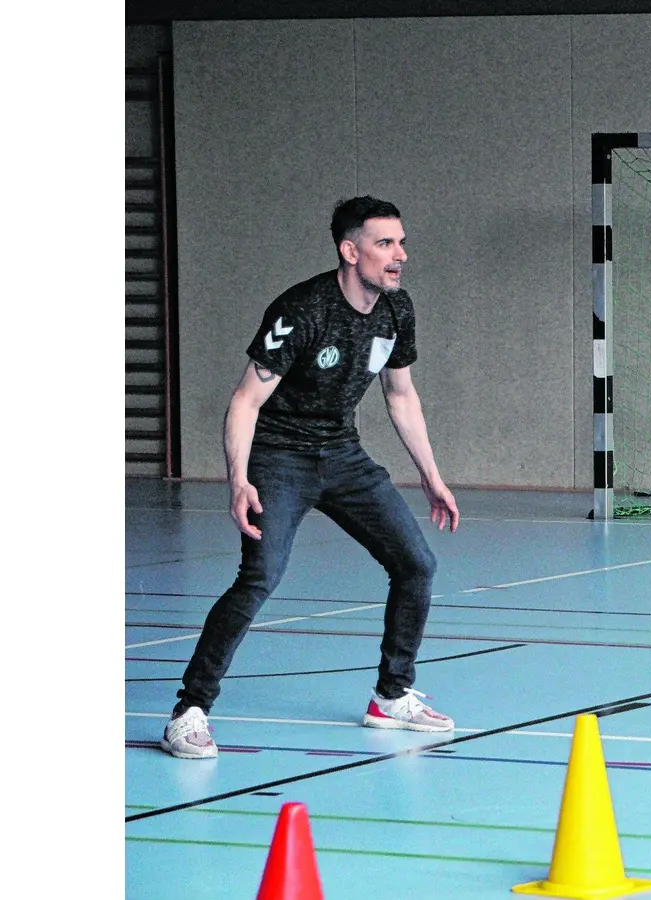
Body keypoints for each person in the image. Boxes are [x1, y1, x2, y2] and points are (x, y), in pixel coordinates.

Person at [161, 196, 461, 760]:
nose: (399, 256)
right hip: (279, 458)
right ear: (350, 251)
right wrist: (239, 480)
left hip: (342, 454)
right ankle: (189, 712)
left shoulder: (397, 310)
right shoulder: (302, 310)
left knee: (416, 563)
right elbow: (246, 401)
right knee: (260, 578)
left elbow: (401, 396)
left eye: (401, 243)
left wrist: (431, 477)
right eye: (385, 244)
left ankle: (391, 697)